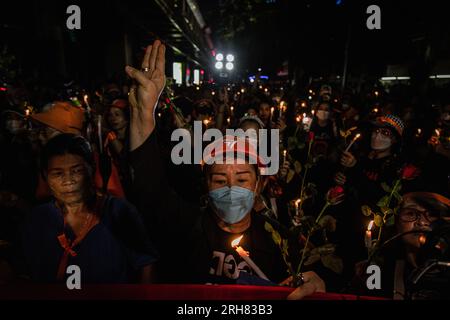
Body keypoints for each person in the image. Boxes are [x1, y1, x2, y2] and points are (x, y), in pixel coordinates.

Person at [125, 40, 325, 298]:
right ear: (205, 185)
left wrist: (316, 284)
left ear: (259, 184)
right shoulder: (184, 226)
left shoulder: (280, 241)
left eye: (241, 179)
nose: (231, 189)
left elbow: (311, 278)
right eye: (220, 179)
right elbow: (148, 185)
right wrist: (143, 112)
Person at [21, 133, 158, 283]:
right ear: (45, 176)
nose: (68, 181)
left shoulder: (118, 211)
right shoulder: (39, 217)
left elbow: (146, 265)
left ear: (92, 168)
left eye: (77, 171)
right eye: (58, 174)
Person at [351, 192, 450, 299]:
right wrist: (361, 283)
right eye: (410, 214)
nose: (421, 222)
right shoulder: (382, 270)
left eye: (432, 214)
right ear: (396, 222)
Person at [31, 101, 125, 199]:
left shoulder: (98, 164)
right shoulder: (47, 162)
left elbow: (118, 209)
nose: (40, 137)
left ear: (62, 134)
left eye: (45, 132)